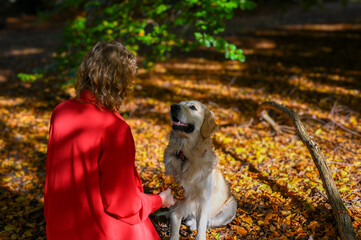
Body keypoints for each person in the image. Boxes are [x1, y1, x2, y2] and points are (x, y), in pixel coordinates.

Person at [44, 41, 175, 240]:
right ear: (121, 82)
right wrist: (159, 200)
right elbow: (122, 205)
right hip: (99, 231)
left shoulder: (60, 112)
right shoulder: (114, 128)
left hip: (60, 228)